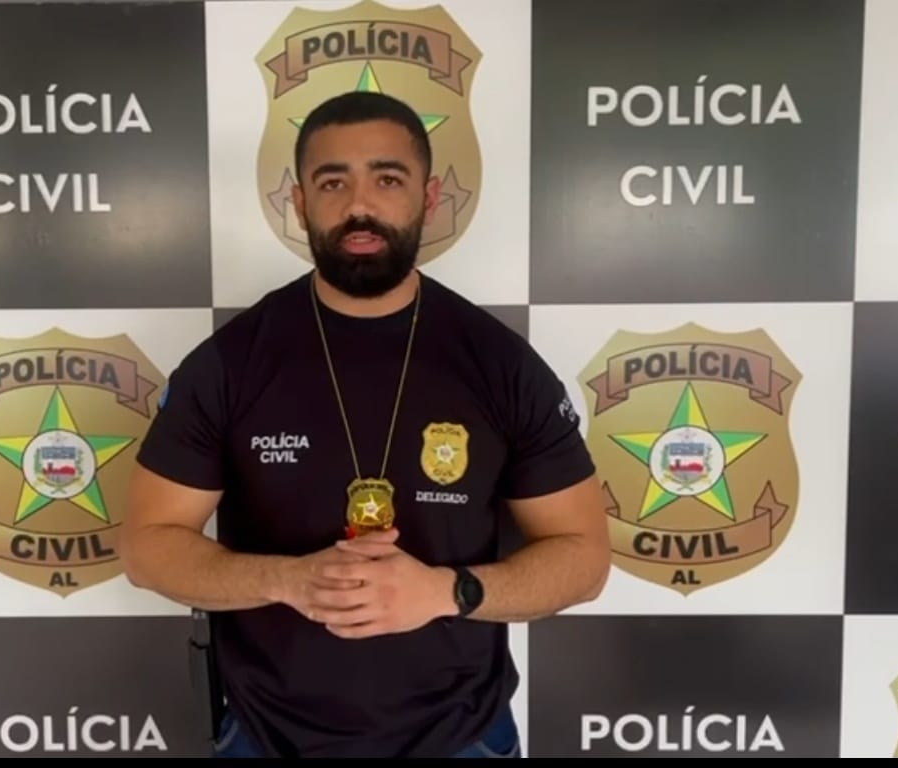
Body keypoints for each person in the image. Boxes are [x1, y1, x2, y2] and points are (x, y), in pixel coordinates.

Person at [118, 89, 611, 759]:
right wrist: (288, 580)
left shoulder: (501, 365)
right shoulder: (231, 362)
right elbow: (146, 548)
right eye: (332, 182)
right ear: (299, 203)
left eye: (387, 179)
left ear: (428, 197)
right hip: (267, 738)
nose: (359, 206)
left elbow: (583, 560)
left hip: (459, 739)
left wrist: (448, 591)